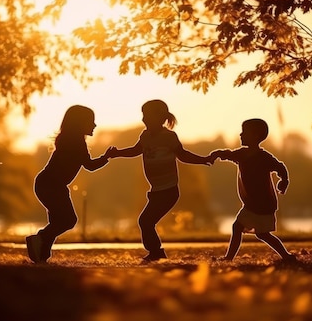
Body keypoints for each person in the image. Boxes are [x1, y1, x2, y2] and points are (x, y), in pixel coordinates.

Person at [105, 99, 214, 261]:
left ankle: (156, 253)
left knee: (145, 221)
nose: (143, 119)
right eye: (143, 115)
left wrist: (203, 159)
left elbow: (183, 155)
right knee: (146, 221)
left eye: (146, 115)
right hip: (156, 190)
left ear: (160, 118)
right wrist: (117, 153)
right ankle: (156, 252)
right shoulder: (145, 136)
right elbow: (135, 151)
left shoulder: (169, 137)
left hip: (169, 190)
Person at [26, 105, 115, 263]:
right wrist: (107, 156)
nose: (94, 125)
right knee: (68, 220)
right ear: (80, 123)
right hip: (51, 185)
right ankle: (40, 238)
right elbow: (90, 165)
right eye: (91, 121)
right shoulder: (75, 142)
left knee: (58, 222)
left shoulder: (70, 139)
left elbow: (87, 164)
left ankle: (42, 254)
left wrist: (105, 157)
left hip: (51, 185)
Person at [209, 118, 296, 262]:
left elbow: (280, 167)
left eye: (244, 132)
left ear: (255, 136)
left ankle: (286, 256)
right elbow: (228, 154)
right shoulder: (242, 154)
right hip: (251, 204)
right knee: (247, 230)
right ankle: (286, 256)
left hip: (263, 204)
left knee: (259, 233)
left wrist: (284, 181)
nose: (240, 135)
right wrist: (217, 154)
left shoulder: (264, 157)